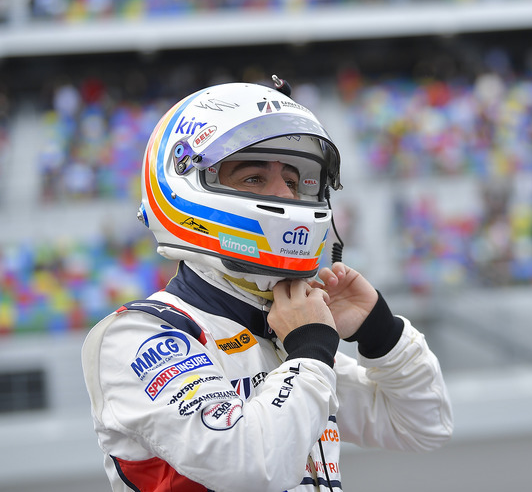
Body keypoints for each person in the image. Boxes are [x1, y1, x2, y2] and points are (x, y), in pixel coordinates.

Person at [81, 80, 453, 491]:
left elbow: (423, 426)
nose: (285, 196)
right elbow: (249, 467)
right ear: (186, 183)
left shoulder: (282, 332)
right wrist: (311, 350)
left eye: (294, 182)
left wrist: (380, 332)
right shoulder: (142, 334)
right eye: (256, 178)